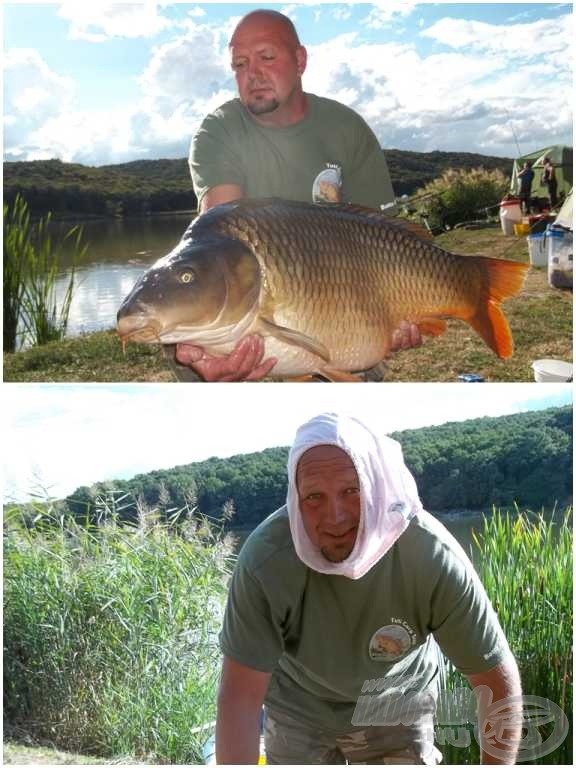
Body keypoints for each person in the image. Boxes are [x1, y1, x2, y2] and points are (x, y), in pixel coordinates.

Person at [216, 412, 523, 764]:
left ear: (377, 486)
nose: (335, 517)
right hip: (297, 710)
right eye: (314, 496)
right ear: (295, 497)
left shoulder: (429, 556)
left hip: (396, 705)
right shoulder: (265, 563)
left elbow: (495, 682)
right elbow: (240, 697)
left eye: (351, 490)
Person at [174, 9, 420, 382]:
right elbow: (219, 246)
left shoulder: (346, 128)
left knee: (363, 356)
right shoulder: (219, 132)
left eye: (266, 57)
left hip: (347, 301)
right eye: (239, 64)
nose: (252, 74)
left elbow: (382, 234)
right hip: (261, 305)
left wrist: (401, 311)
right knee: (194, 340)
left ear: (300, 60)